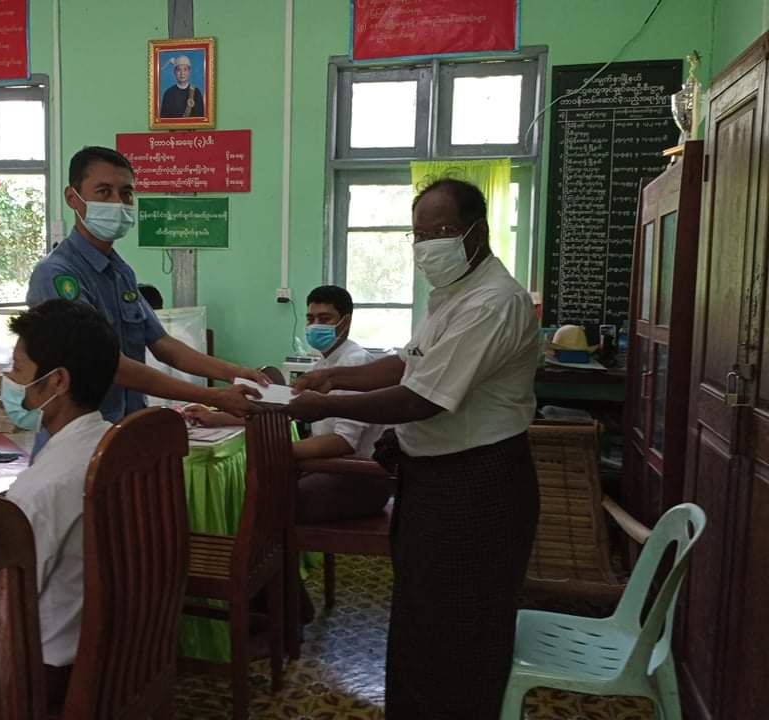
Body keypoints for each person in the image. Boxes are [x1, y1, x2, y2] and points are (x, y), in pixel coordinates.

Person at [287, 178, 540, 719]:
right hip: (435, 479)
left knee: (460, 630)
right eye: (418, 235)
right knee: (423, 617)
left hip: (477, 485)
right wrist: (335, 378)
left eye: (440, 231)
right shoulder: (453, 295)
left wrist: (325, 404)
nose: (427, 246)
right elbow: (407, 364)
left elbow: (420, 399)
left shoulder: (493, 303)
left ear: (476, 232)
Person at [26, 146, 265, 448]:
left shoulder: (120, 271)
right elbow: (108, 364)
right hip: (78, 442)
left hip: (126, 432)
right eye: (103, 192)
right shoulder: (57, 275)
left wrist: (236, 373)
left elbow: (163, 344)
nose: (118, 202)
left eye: (126, 193)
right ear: (73, 198)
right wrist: (212, 396)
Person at [187, 285, 391, 524]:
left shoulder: (353, 364)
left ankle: (265, 549)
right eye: (310, 318)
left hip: (359, 477)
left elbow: (343, 442)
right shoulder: (322, 365)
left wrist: (274, 451)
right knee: (263, 490)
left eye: (325, 318)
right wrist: (216, 417)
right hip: (331, 469)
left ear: (344, 322)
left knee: (271, 501)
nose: (315, 325)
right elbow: (281, 409)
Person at [3, 299, 120, 713]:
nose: (10, 381)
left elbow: (5, 604)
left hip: (52, 670)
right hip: (118, 648)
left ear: (57, 381)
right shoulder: (114, 444)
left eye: (17, 369)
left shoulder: (43, 489)